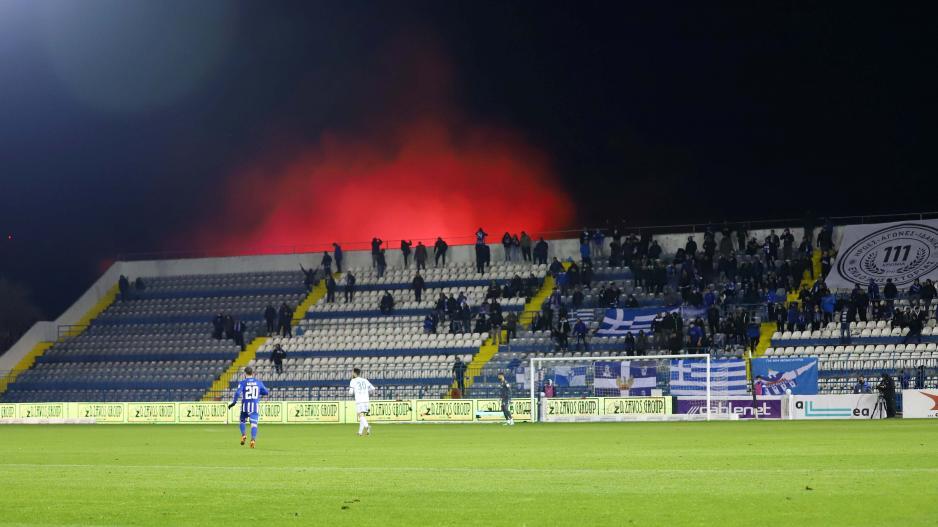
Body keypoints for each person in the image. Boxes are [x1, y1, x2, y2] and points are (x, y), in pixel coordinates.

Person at [228, 366, 269, 448]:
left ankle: (243, 435)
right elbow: (266, 392)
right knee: (254, 424)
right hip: (254, 406)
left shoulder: (243, 382)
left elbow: (237, 393)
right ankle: (253, 440)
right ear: (252, 373)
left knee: (242, 420)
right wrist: (258, 392)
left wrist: (234, 402)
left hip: (245, 405)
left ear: (245, 374)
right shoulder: (258, 382)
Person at [349, 368, 376, 436]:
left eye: (352, 372)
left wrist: (351, 391)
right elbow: (373, 388)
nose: (351, 373)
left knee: (359, 415)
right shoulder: (365, 380)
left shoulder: (353, 380)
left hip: (359, 400)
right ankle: (360, 432)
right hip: (366, 400)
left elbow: (351, 392)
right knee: (362, 415)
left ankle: (367, 426)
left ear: (355, 373)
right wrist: (365, 391)